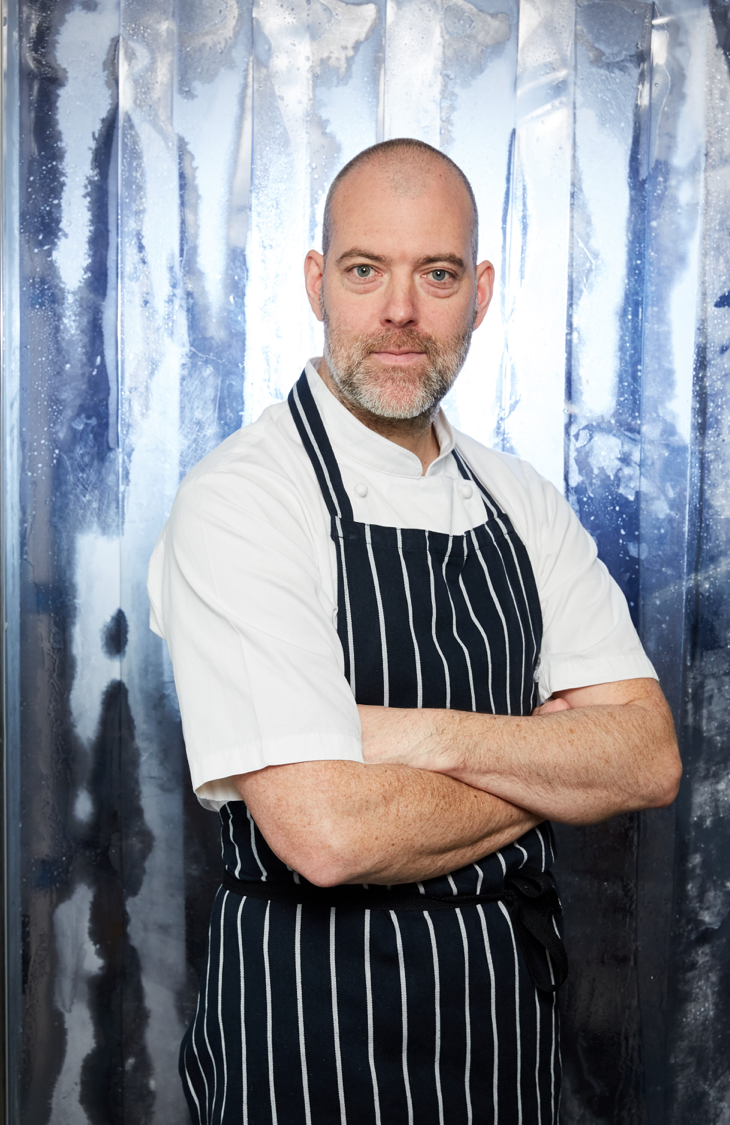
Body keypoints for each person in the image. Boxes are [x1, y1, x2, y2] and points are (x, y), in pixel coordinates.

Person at [148, 138, 681, 1125]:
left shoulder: (519, 498)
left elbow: (646, 759)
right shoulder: (243, 499)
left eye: (436, 274)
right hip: (306, 1046)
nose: (400, 311)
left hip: (503, 1035)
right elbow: (326, 833)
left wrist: (405, 735)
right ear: (317, 282)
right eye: (366, 271)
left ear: (480, 292)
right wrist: (554, 765)